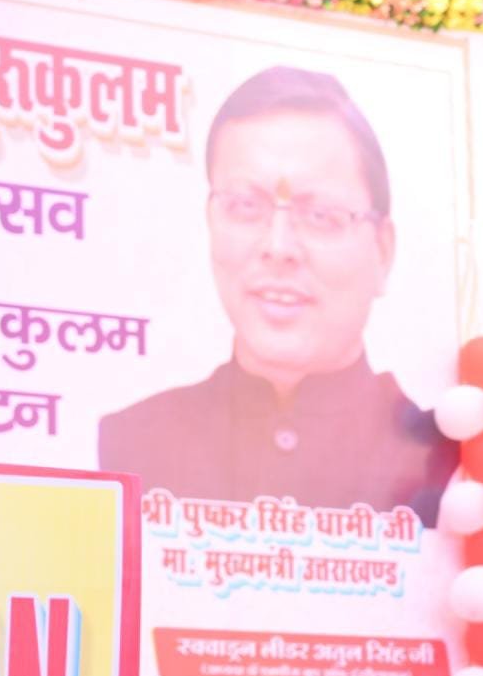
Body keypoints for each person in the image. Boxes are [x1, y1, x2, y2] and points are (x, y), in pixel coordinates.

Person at [98, 65, 457, 525]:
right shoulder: (136, 443)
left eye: (321, 215)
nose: (279, 247)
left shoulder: (439, 458)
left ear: (383, 251)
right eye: (245, 206)